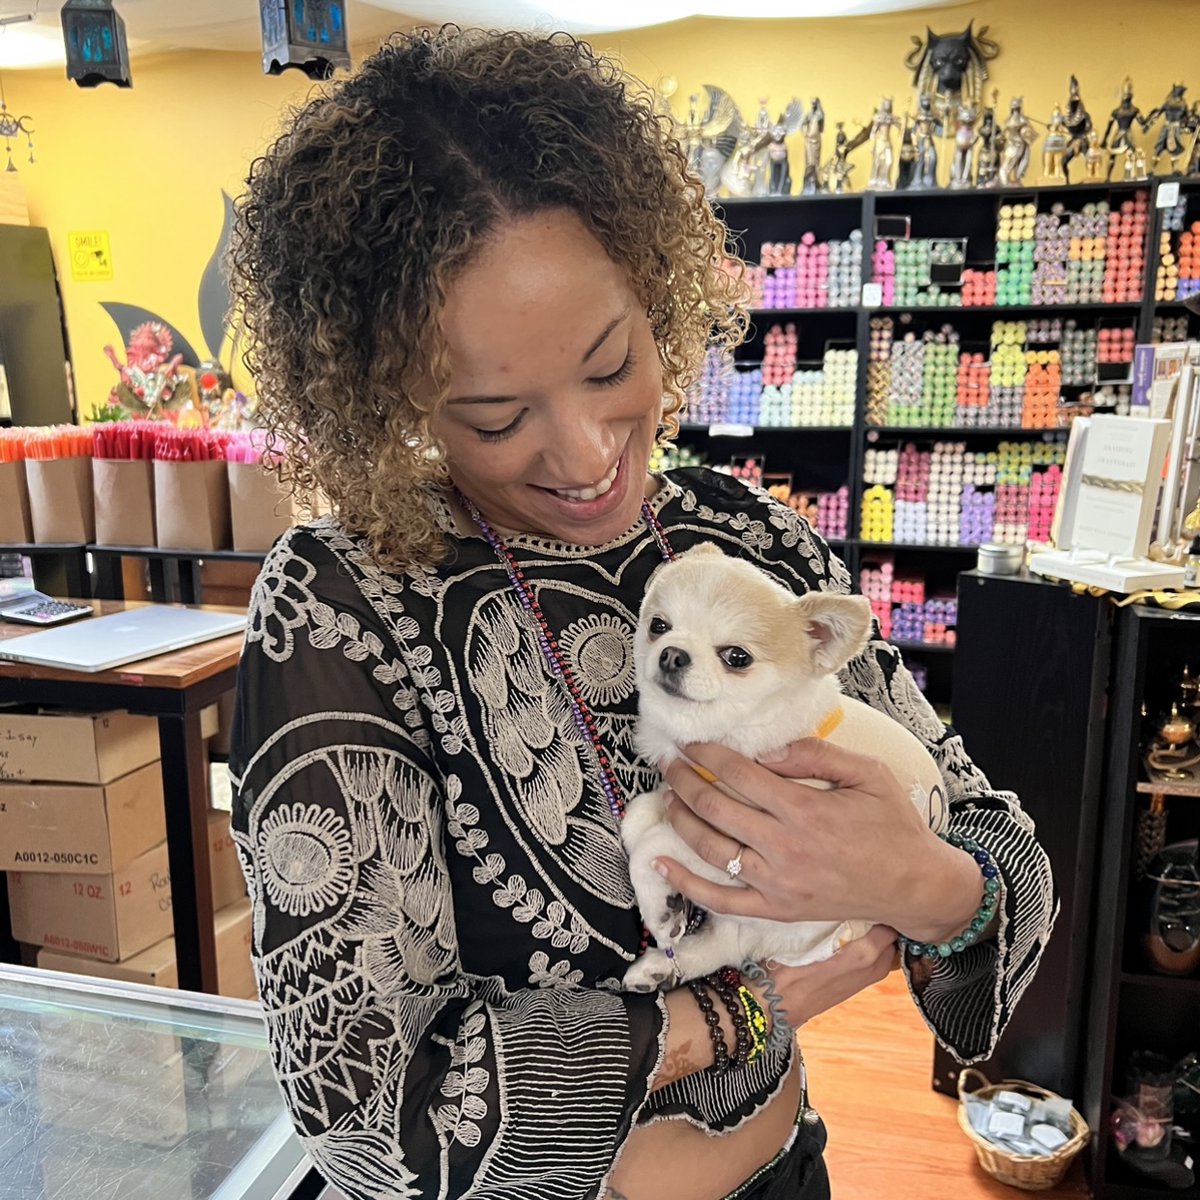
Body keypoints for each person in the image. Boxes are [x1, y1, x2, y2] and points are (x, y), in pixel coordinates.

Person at [227, 27, 1056, 1200]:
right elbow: (364, 1104)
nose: (583, 454)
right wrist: (739, 1011)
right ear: (387, 395)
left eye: (612, 365)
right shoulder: (344, 606)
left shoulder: (743, 536)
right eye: (498, 416)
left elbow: (990, 848)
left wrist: (930, 888)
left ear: (656, 287)